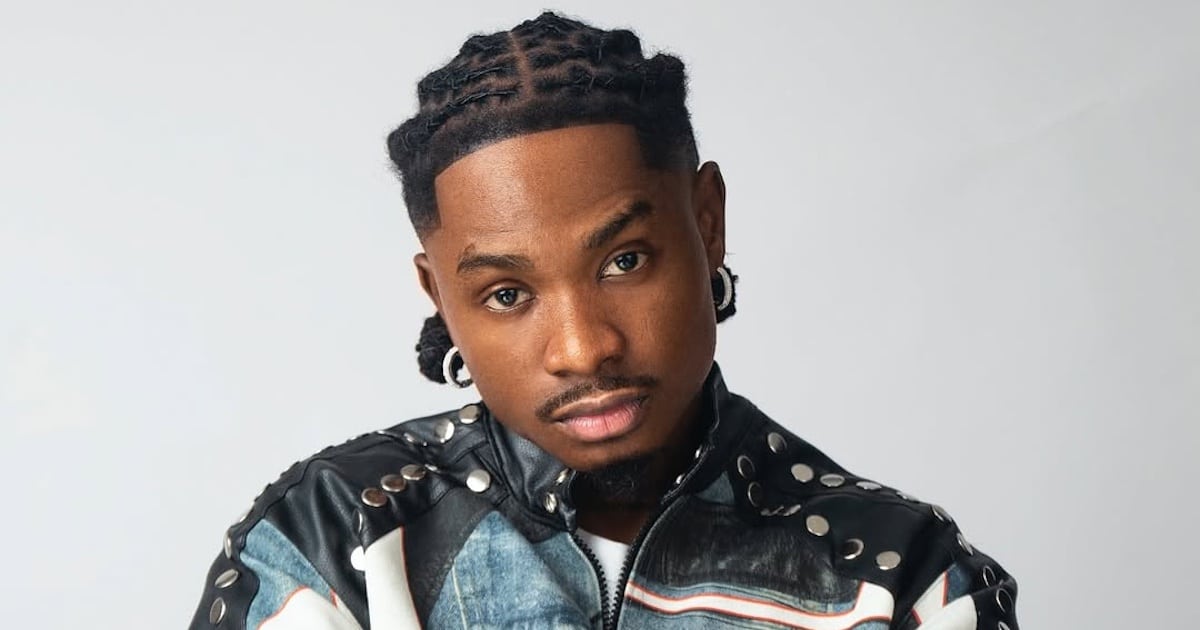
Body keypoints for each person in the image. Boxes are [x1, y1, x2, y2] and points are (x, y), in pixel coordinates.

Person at [189, 12, 1018, 630]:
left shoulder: (902, 581)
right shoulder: (336, 539)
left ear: (708, 221)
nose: (584, 348)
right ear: (439, 296)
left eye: (624, 261)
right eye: (507, 294)